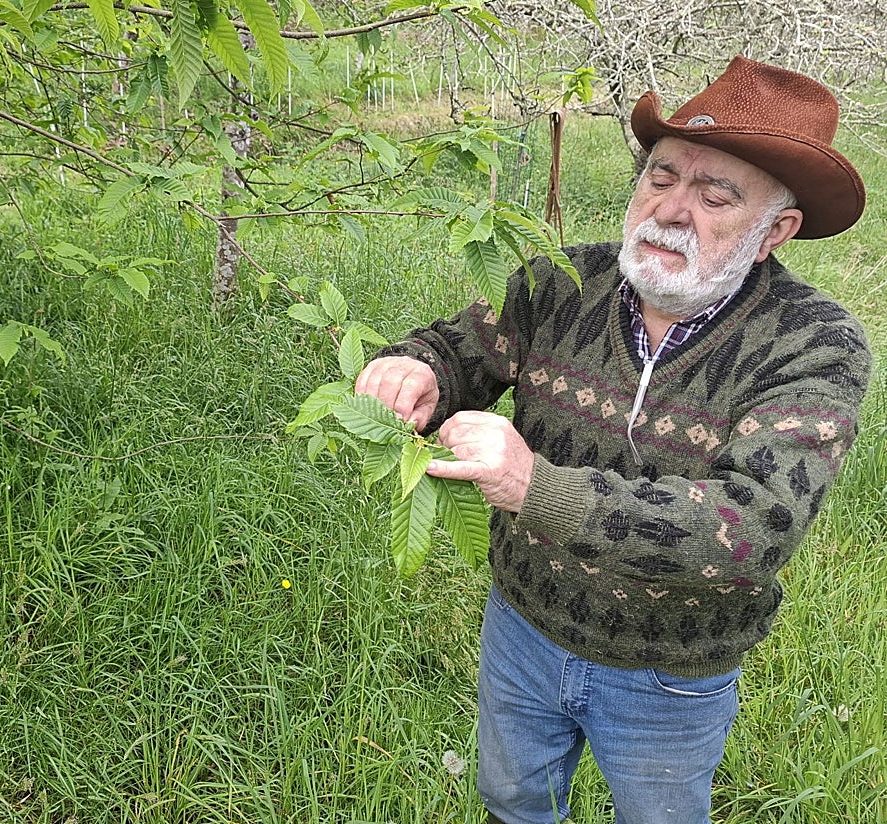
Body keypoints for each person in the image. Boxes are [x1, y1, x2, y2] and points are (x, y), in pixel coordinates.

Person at [355, 56, 872, 824]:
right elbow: (466, 350)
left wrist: (539, 488)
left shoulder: (813, 344)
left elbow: (750, 527)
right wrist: (419, 369)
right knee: (510, 795)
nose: (670, 210)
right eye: (661, 177)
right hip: (523, 624)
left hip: (668, 672)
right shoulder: (561, 280)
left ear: (775, 231)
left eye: (715, 194)